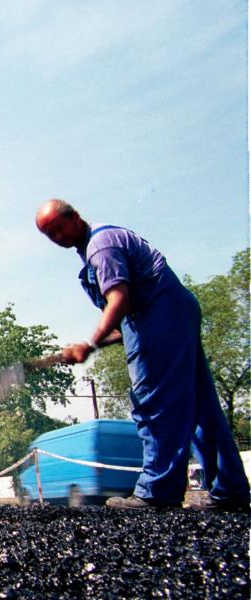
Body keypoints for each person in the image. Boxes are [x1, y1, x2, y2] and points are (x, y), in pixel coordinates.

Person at [35, 199, 249, 511]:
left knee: (155, 404)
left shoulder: (100, 246)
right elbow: (124, 328)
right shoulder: (101, 241)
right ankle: (230, 489)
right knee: (202, 406)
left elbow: (119, 299)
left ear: (75, 217)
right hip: (172, 313)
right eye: (50, 234)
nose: (58, 237)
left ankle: (157, 492)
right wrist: (95, 344)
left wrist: (90, 343)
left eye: (59, 227)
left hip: (160, 314)